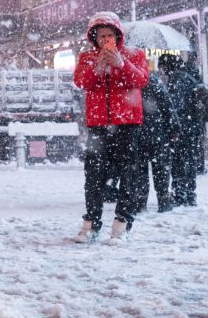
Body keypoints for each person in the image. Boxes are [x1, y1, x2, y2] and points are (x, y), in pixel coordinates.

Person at [73, 12, 148, 242]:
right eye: (101, 35)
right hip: (98, 124)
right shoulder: (86, 58)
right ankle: (91, 224)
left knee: (128, 174)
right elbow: (81, 82)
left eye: (109, 35)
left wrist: (121, 64)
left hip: (126, 124)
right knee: (93, 175)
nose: (105, 39)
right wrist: (97, 67)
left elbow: (141, 80)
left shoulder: (134, 55)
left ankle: (122, 224)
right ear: (94, 38)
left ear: (117, 35)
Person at [159, 54, 202, 207]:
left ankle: (180, 194)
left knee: (178, 161)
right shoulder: (190, 78)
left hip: (182, 127)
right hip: (193, 126)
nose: (162, 70)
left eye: (162, 66)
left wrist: (172, 124)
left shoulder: (177, 79)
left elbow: (176, 106)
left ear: (168, 66)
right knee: (189, 160)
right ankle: (190, 194)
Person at [133, 71, 175, 213]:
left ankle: (140, 201)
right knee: (161, 169)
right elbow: (168, 108)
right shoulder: (156, 84)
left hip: (138, 133)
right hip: (158, 134)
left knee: (140, 170)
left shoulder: (132, 83)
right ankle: (163, 201)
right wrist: (174, 128)